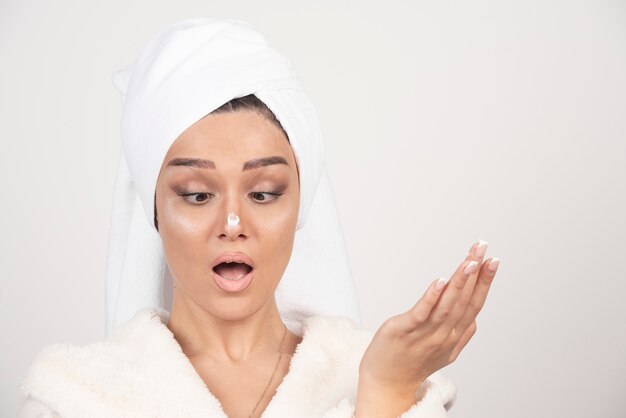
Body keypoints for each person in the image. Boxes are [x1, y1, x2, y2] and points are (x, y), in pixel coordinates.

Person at [17, 18, 500, 418]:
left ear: (301, 207)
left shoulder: (375, 373)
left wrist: (385, 393)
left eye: (265, 193)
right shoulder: (77, 396)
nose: (231, 222)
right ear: (155, 211)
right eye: (197, 194)